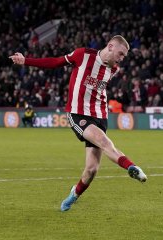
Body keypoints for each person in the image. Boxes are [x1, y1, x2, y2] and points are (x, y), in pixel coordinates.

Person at [10, 35, 147, 212]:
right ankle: (132, 167)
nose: (121, 59)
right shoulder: (83, 55)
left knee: (91, 170)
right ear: (110, 46)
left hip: (100, 116)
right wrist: (25, 61)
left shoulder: (113, 69)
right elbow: (55, 62)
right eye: (120, 54)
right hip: (78, 113)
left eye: (124, 56)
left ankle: (74, 194)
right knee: (105, 143)